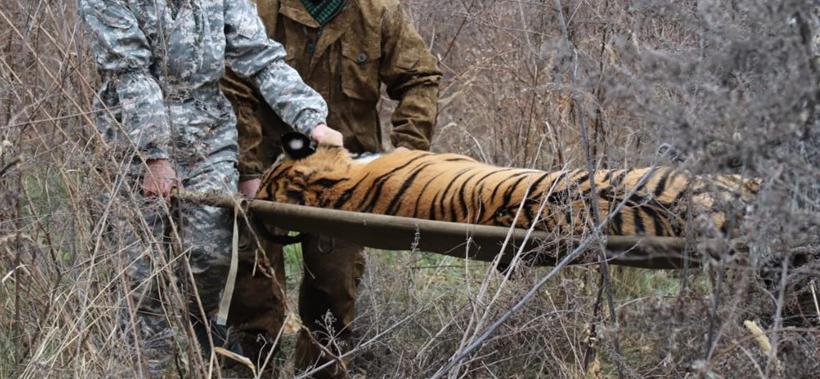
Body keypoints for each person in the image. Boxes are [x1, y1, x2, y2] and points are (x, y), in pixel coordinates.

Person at [79, 0, 343, 374]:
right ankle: (147, 362)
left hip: (207, 135)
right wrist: (153, 155)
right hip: (132, 139)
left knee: (209, 256)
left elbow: (261, 59)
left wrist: (312, 121)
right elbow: (128, 71)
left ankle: (199, 341)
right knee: (142, 273)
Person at [221, 0, 442, 376]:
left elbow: (419, 77)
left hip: (345, 174)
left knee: (333, 299)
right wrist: (248, 168)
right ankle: (255, 370)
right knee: (252, 290)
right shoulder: (260, 7)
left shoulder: (379, 11)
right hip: (267, 167)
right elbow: (234, 82)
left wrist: (407, 152)